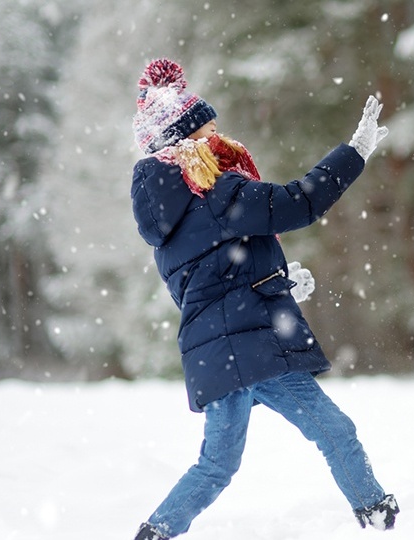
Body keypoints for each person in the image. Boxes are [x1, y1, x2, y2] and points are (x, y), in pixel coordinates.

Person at [129, 58, 398, 539]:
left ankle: (155, 533)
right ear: (188, 140)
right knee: (335, 431)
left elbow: (206, 286)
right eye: (210, 127)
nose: (219, 134)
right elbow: (299, 201)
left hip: (219, 353)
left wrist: (279, 282)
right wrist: (355, 152)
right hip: (255, 351)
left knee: (216, 466)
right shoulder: (213, 191)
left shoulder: (168, 219)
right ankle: (378, 516)